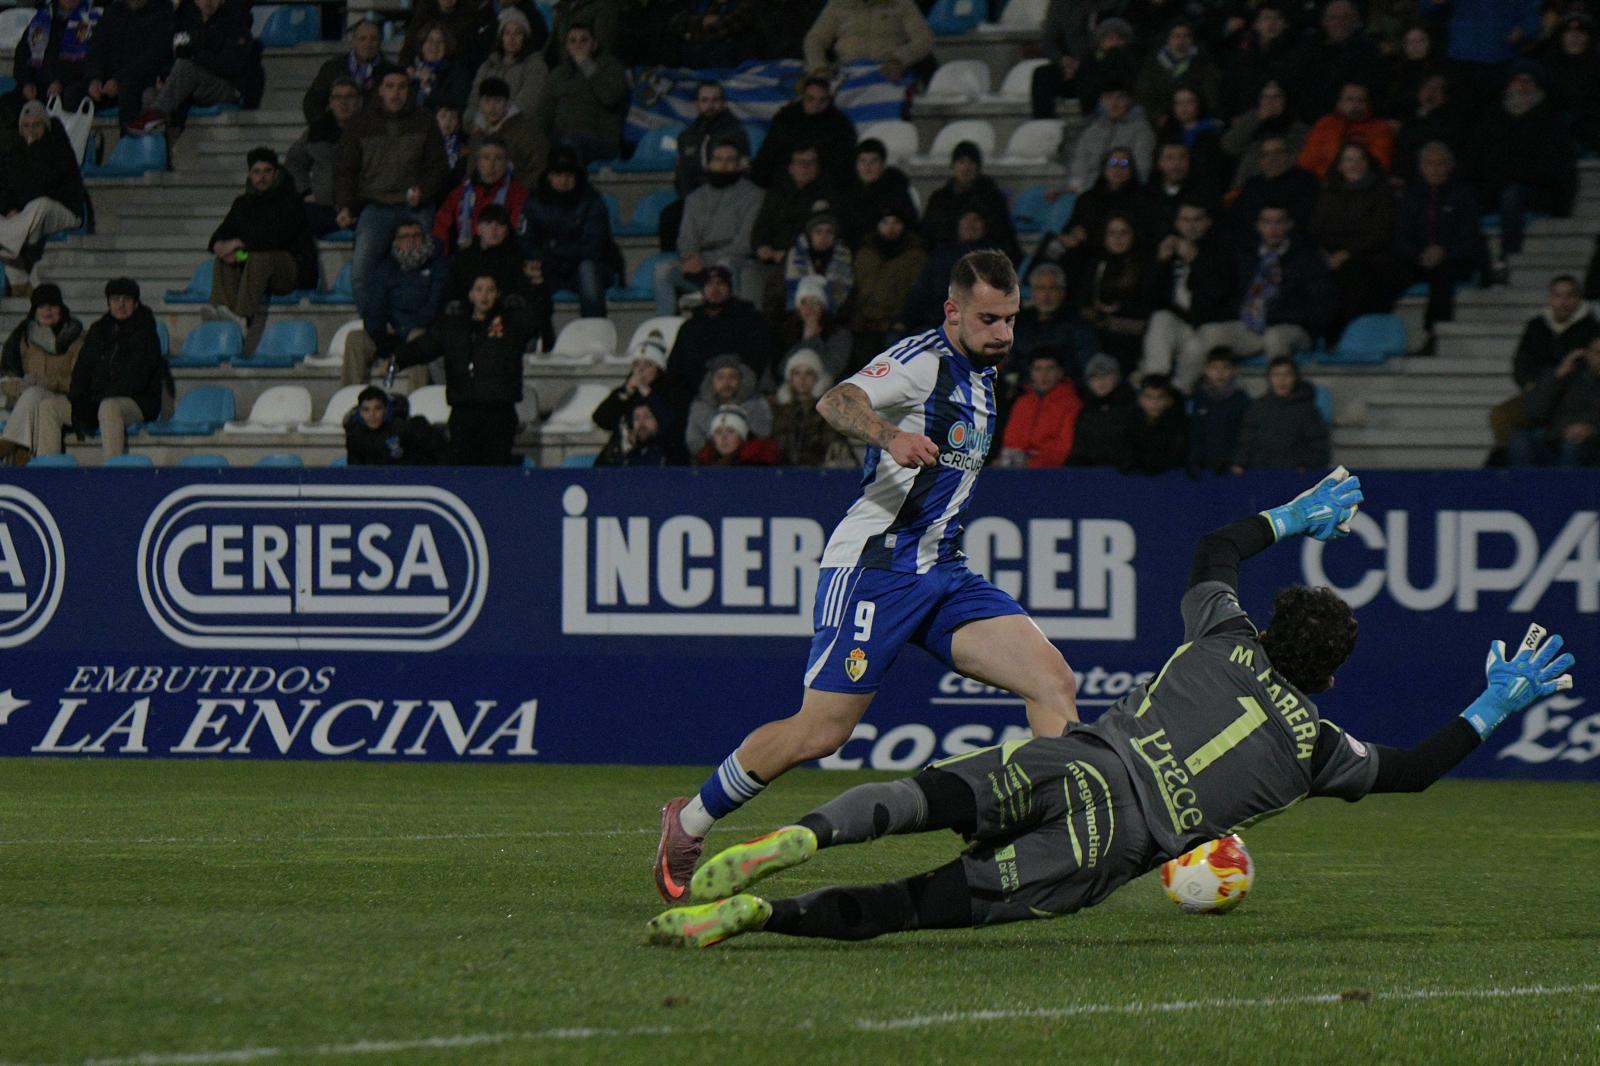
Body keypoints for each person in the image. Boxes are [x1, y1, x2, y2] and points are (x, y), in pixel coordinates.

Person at [649, 475, 1579, 951]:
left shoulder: (1223, 635)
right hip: (1111, 843)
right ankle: (759, 916)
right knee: (917, 906)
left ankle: (803, 834)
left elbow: (1216, 544)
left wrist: (1295, 517)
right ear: (1330, 677)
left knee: (924, 795)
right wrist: (1494, 705)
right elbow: (1414, 769)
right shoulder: (1320, 750)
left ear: (1270, 623)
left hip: (1080, 761)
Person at [653, 250, 1081, 904]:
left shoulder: (985, 373)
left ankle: (1059, 843)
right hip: (875, 566)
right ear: (953, 311)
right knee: (821, 730)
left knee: (1052, 680)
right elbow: (836, 399)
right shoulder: (921, 361)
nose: (1002, 333)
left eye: (1011, 319)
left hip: (943, 568)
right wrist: (887, 435)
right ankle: (687, 825)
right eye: (988, 319)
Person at [335, 66, 451, 314]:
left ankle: (415, 325)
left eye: (401, 86)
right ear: (380, 90)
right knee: (361, 273)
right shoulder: (360, 124)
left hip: (415, 207)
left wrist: (424, 191)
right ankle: (374, 329)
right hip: (375, 206)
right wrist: (345, 206)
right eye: (390, 86)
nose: (396, 93)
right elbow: (345, 170)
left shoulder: (425, 121)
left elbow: (438, 168)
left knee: (424, 270)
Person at [391, 273, 535, 464]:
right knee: (463, 470)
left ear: (498, 294)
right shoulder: (454, 325)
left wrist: (536, 287)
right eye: (479, 289)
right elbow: (426, 345)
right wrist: (399, 358)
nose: (484, 296)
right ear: (470, 295)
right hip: (464, 412)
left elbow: (535, 321)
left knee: (497, 472)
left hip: (499, 412)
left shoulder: (511, 324)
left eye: (490, 290)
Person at [37, 277, 170, 460]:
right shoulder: (98, 330)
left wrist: (98, 398)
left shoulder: (146, 332)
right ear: (108, 302)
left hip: (137, 402)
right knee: (49, 406)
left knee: (109, 407)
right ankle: (48, 471)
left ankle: (111, 472)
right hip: (96, 400)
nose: (121, 305)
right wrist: (80, 399)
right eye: (116, 299)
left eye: (127, 300)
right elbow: (82, 370)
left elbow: (137, 380)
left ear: (136, 303)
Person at [1467, 62, 1575, 285]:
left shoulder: (1550, 120)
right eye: (1518, 80)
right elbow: (1477, 158)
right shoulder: (1493, 117)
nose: (1523, 86)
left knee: (1512, 195)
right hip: (1495, 186)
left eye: (1528, 81)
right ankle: (1478, 267)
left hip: (1540, 190)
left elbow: (1554, 166)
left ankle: (1508, 259)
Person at [1196, 204, 1334, 363]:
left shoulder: (1307, 259)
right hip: (1251, 327)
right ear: (1258, 225)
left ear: (1289, 224)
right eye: (1267, 222)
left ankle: (1279, 387)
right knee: (1208, 332)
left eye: (1279, 222)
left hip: (1293, 329)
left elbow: (1323, 308)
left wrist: (1274, 315)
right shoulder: (1246, 257)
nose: (1273, 228)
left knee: (1274, 337)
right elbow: (1231, 296)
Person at [204, 148, 319, 339]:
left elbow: (277, 238)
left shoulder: (290, 201)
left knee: (259, 258)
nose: (262, 177)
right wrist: (220, 247)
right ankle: (224, 314)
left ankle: (242, 316)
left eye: (267, 171)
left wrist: (239, 242)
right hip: (251, 260)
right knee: (226, 260)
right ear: (250, 174)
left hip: (290, 266)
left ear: (275, 173)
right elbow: (219, 235)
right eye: (257, 172)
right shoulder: (243, 203)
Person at [655, 139, 764, 316]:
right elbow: (686, 238)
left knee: (724, 264)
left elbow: (744, 243)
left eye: (730, 160)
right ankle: (668, 330)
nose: (723, 165)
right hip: (701, 268)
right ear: (709, 163)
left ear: (739, 165)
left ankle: (733, 324)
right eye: (718, 160)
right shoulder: (695, 198)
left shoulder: (755, 196)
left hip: (738, 264)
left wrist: (705, 261)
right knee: (663, 270)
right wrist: (689, 257)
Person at [1308, 143, 1403, 334]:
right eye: (1349, 159)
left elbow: (1380, 233)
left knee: (1352, 277)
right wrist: (1325, 254)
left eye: (1360, 159)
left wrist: (1346, 253)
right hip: (1329, 255)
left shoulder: (1381, 193)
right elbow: (1314, 231)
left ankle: (1346, 335)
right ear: (1340, 165)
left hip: (1367, 256)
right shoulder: (1327, 194)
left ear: (1368, 163)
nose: (1354, 164)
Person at [1140, 200, 1235, 392]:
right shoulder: (1167, 248)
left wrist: (1195, 259)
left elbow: (1219, 293)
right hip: (1178, 323)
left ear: (1208, 222)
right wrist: (1160, 262)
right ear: (1176, 223)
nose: (1191, 225)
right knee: (1160, 318)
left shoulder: (1222, 249)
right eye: (1185, 220)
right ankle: (1154, 383)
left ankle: (1178, 395)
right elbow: (1147, 297)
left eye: (1197, 219)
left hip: (1208, 326)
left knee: (1197, 344)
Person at [343, 220, 449, 388]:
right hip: (391, 333)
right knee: (355, 339)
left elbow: (433, 308)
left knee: (419, 339)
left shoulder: (438, 265)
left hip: (419, 331)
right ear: (395, 241)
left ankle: (415, 401)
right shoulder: (385, 267)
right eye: (405, 236)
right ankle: (350, 400)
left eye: (416, 236)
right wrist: (379, 334)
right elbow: (374, 308)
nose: (411, 240)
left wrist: (403, 328)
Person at [125, 0, 255, 135]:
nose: (208, 2)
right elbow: (169, 57)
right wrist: (165, 77)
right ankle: (156, 146)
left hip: (227, 87)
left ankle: (155, 118)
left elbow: (231, 65)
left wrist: (195, 57)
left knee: (187, 66)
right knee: (150, 94)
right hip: (195, 85)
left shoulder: (235, 23)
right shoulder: (189, 24)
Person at [1396, 142, 1482, 339]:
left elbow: (1470, 237)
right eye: (1429, 164)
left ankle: (1434, 336)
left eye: (1440, 164)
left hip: (1453, 260)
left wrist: (1444, 252)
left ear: (1450, 167)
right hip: (1417, 259)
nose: (1435, 169)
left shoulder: (1463, 196)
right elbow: (1401, 236)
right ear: (1421, 168)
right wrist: (1420, 254)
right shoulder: (1410, 196)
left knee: (1442, 277)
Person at [0, 102, 86, 295]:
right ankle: (19, 281)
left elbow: (43, 185)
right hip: (27, 220)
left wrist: (34, 151)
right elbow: (4, 186)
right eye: (26, 126)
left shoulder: (57, 146)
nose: (31, 130)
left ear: (45, 126)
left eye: (37, 125)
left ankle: (6, 245)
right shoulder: (13, 150)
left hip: (64, 212)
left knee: (41, 205)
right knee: (13, 218)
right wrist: (8, 208)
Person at [520, 148, 612, 318]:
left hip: (582, 267)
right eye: (558, 174)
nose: (563, 180)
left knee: (588, 271)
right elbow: (526, 242)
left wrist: (554, 250)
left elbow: (594, 247)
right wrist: (543, 258)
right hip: (548, 267)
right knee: (525, 274)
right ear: (549, 175)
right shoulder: (534, 201)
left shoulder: (591, 201)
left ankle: (595, 333)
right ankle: (534, 339)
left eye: (569, 175)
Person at [746, 145, 837, 315]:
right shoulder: (777, 193)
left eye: (810, 163)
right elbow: (760, 228)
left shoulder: (826, 196)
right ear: (790, 167)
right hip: (769, 259)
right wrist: (761, 247)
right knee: (746, 271)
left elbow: (819, 235)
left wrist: (787, 253)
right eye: (800, 162)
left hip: (804, 261)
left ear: (818, 166)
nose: (805, 167)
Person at [0, 285, 84, 467]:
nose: (47, 310)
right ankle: (22, 451)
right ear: (34, 310)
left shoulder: (77, 338)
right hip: (27, 401)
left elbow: (80, 382)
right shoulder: (22, 336)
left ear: (61, 309)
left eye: (52, 306)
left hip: (63, 399)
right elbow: (6, 376)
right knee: (33, 393)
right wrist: (19, 385)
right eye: (41, 306)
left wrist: (50, 383)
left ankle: (8, 444)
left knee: (35, 393)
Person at [666, 265, 775, 390]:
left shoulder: (750, 320)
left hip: (740, 391)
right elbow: (675, 367)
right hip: (697, 397)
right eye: (709, 284)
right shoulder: (690, 327)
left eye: (720, 283)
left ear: (729, 288)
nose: (715, 289)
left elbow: (756, 361)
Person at [533, 21, 628, 165]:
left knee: (569, 143)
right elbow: (543, 114)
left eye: (584, 40)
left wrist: (587, 65)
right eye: (572, 41)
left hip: (601, 140)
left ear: (594, 44)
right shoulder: (558, 74)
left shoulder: (611, 68)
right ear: (566, 46)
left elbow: (610, 97)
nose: (578, 45)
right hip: (561, 137)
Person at [846, 201, 924, 368]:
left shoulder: (915, 256)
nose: (891, 228)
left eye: (896, 223)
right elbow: (856, 290)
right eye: (885, 223)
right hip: (864, 323)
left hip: (897, 324)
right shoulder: (864, 254)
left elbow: (916, 293)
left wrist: (901, 320)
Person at [591, 333, 688, 464]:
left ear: (658, 369)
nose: (640, 370)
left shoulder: (672, 393)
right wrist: (625, 392)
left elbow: (672, 427)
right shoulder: (626, 393)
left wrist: (648, 394)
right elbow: (601, 419)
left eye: (647, 365)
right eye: (636, 364)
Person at [919, 141, 1021, 266]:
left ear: (978, 167)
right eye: (961, 162)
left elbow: (1003, 234)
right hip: (945, 260)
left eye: (971, 162)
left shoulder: (992, 197)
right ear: (953, 166)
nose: (966, 167)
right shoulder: (939, 199)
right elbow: (928, 234)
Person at [285, 77, 364, 237]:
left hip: (362, 206)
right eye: (337, 97)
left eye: (349, 97)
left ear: (360, 101)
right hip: (323, 207)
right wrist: (305, 191)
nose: (343, 103)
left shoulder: (373, 131)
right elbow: (294, 161)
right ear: (331, 102)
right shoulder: (317, 131)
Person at [1287, 0, 1388, 123]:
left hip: (1352, 121)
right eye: (1333, 17)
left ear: (1355, 21)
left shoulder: (1369, 51)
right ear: (1324, 21)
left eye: (1345, 17)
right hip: (1307, 120)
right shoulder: (1308, 48)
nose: (1339, 23)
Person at [1077, 215, 1154, 374]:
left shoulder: (1145, 265)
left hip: (1132, 333)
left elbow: (1150, 302)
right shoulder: (1096, 264)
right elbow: (1084, 299)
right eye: (1112, 233)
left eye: (1123, 233)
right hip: (1098, 328)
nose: (1118, 238)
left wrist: (1121, 309)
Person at [751, 77, 857, 190]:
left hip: (824, 188)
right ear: (803, 98)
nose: (816, 105)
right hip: (783, 184)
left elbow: (843, 164)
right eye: (811, 99)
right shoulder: (786, 120)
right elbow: (768, 154)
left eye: (822, 100)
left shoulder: (840, 126)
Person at [1508, 338, 1600, 467]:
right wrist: (1557, 375)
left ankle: (1566, 487)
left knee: (1573, 445)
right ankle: (1526, 487)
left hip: (1591, 445)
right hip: (1555, 439)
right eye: (1597, 353)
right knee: (1520, 440)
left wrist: (1592, 430)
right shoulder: (1569, 378)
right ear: (1587, 355)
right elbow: (1533, 412)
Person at [86, 0, 173, 133]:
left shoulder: (162, 12)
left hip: (142, 77)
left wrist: (118, 79)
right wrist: (95, 78)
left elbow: (154, 55)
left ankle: (129, 145)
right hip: (109, 80)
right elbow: (97, 47)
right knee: (73, 94)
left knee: (128, 91)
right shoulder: (113, 11)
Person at [433, 136, 529, 254]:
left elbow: (518, 230)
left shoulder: (518, 192)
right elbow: (441, 225)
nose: (491, 165)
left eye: (498, 159)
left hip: (503, 256)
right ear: (478, 162)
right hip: (466, 255)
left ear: (506, 163)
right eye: (486, 158)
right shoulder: (461, 192)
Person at [1233, 356, 1331, 471]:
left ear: (1295, 378)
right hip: (1261, 473)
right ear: (1269, 378)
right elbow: (1247, 440)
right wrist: (1239, 462)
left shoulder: (1307, 411)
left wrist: (1307, 465)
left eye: (1287, 375)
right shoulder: (1257, 407)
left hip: (1295, 476)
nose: (1282, 380)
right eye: (1276, 375)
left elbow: (1319, 445)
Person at [1032, 14, 1138, 120]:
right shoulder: (1093, 56)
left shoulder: (1129, 57)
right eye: (1110, 38)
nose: (1114, 42)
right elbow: (1084, 73)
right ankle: (1043, 121)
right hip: (1086, 88)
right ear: (1101, 40)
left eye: (1119, 38)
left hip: (1109, 93)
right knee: (1043, 74)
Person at [802, 0, 931, 81]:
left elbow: (924, 39)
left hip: (887, 73)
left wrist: (899, 60)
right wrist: (819, 68)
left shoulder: (902, 4)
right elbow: (814, 39)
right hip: (847, 74)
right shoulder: (838, 4)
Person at [7, 0, 99, 112]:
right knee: (9, 105)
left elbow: (92, 62)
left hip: (71, 87)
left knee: (70, 99)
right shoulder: (43, 18)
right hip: (38, 86)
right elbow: (23, 55)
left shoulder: (91, 20)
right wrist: (26, 82)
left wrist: (61, 81)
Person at [1227, 134, 1320, 244]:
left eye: (1278, 152)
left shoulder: (1306, 182)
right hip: (1249, 246)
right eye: (1265, 154)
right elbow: (1237, 219)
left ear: (1290, 156)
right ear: (1260, 160)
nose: (1272, 158)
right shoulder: (1252, 185)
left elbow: (1305, 223)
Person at [1009, 262, 1097, 379]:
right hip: (1025, 390)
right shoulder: (1020, 322)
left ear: (1062, 292)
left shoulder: (1078, 324)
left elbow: (1086, 366)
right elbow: (1011, 364)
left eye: (1052, 288)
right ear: (1032, 292)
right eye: (1041, 288)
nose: (1046, 295)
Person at [1065, 84, 1156, 194]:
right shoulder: (1093, 129)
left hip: (1123, 190)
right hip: (1087, 190)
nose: (1114, 103)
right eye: (1108, 97)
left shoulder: (1142, 129)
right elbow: (1079, 162)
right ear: (1101, 101)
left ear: (1129, 100)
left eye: (1120, 97)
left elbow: (1142, 169)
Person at [1219, 79, 1306, 192]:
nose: (1270, 102)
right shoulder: (1251, 120)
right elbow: (1228, 146)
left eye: (1276, 97)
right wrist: (1256, 119)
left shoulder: (1298, 130)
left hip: (1281, 190)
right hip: (1244, 189)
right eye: (1265, 97)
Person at [996, 351, 1081, 468]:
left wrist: (1032, 464)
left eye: (1050, 369)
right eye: (1038, 369)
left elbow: (1063, 448)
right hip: (1016, 467)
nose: (1044, 375)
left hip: (1050, 471)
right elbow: (1011, 440)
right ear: (1031, 373)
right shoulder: (1023, 402)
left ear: (1060, 372)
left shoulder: (1071, 404)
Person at [1297, 82, 1395, 179]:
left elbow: (1380, 164)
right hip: (1324, 182)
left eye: (1361, 100)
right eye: (1350, 99)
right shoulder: (1325, 124)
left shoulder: (1380, 128)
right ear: (1339, 102)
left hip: (1364, 185)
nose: (1356, 105)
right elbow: (1307, 161)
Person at [770, 347, 850, 466]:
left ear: (817, 379)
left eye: (808, 373)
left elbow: (832, 444)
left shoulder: (827, 411)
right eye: (797, 373)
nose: (802, 379)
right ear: (790, 379)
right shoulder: (779, 411)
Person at [465, 9, 547, 122]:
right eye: (507, 33)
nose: (511, 38)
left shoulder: (536, 66)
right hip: (482, 128)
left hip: (517, 131)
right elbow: (474, 99)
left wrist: (498, 125)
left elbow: (526, 103)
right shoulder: (488, 65)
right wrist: (476, 122)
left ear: (525, 37)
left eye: (518, 33)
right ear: (501, 37)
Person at [673, 81, 749, 201]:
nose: (710, 105)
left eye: (715, 100)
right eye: (705, 100)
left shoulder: (736, 134)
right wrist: (689, 202)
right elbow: (682, 175)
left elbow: (739, 173)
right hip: (691, 200)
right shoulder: (687, 137)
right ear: (696, 103)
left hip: (726, 199)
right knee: (669, 215)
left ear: (723, 103)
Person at [836, 137, 915, 249]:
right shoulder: (846, 193)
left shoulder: (896, 192)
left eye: (873, 161)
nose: (867, 167)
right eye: (863, 161)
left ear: (882, 164)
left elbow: (909, 227)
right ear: (856, 165)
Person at [685, 354, 771, 456]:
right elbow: (695, 444)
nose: (726, 382)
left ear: (741, 380)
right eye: (720, 377)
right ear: (711, 381)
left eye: (732, 377)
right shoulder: (699, 411)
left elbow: (763, 438)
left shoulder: (756, 406)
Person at [465, 76, 549, 180]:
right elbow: (471, 171)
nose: (492, 108)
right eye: (487, 101)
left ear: (507, 104)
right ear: (480, 104)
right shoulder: (477, 133)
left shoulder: (526, 130)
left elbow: (540, 166)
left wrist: (518, 191)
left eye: (498, 101)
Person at [303, 19, 384, 124]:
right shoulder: (332, 68)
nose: (368, 44)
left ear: (380, 42)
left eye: (373, 39)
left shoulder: (389, 71)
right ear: (353, 42)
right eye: (362, 39)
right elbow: (312, 103)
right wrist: (325, 128)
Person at [1065, 352, 1135, 467]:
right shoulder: (1085, 412)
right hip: (1091, 475)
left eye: (1106, 375)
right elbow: (1079, 450)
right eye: (1095, 377)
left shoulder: (1130, 410)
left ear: (1116, 378)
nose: (1101, 382)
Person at [344, 386, 445, 465]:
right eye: (366, 410)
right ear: (359, 413)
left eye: (378, 408)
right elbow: (356, 472)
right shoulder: (355, 438)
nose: (372, 415)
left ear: (387, 410)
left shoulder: (406, 428)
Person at [1187, 350, 1251, 474]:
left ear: (1234, 370)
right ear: (1206, 370)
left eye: (1225, 368)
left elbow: (1246, 434)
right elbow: (1195, 432)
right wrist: (1194, 460)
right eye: (1214, 367)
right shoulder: (1199, 398)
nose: (1219, 373)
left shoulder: (1242, 400)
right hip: (1203, 469)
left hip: (1232, 468)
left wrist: (1237, 461)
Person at [779, 276, 852, 381]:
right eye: (804, 302)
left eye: (815, 302)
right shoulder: (787, 332)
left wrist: (811, 340)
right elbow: (782, 370)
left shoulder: (840, 335)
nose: (809, 308)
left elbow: (831, 370)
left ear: (823, 306)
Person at [784, 212, 852, 311]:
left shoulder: (843, 257)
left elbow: (845, 292)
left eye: (829, 232)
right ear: (810, 235)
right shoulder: (795, 255)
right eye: (818, 232)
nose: (824, 237)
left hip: (834, 317)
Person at [1122, 372, 1188, 473]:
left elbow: (1176, 456)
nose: (1154, 403)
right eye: (1148, 397)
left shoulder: (1179, 425)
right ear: (1140, 399)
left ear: (1169, 400)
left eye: (1160, 397)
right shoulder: (1128, 423)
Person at [672, 1, 760, 72]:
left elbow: (720, 29)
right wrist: (702, 21)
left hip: (731, 70)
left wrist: (690, 35)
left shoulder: (745, 5)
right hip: (691, 69)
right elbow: (676, 23)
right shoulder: (699, 4)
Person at [407, 22, 474, 114]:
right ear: (422, 44)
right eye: (430, 40)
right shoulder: (413, 70)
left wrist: (428, 89)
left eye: (440, 41)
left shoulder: (457, 73)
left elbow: (455, 104)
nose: (434, 46)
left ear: (447, 46)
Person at [695, 406, 782, 466]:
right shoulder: (703, 464)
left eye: (730, 431)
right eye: (718, 432)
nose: (723, 437)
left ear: (742, 437)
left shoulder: (758, 464)